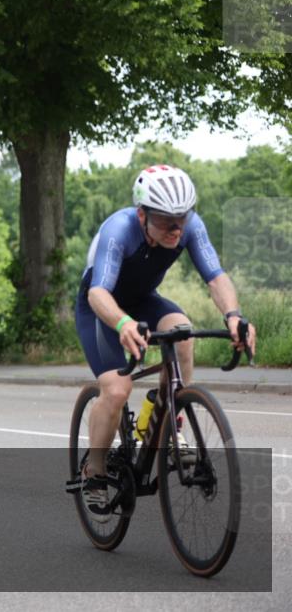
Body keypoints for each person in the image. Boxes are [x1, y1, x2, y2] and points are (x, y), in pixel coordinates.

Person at [74, 164, 256, 523]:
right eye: (166, 221)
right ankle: (94, 468)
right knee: (116, 389)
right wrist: (122, 322)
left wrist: (233, 315)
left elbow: (215, 277)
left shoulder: (190, 227)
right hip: (101, 308)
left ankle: (167, 415)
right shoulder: (119, 230)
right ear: (142, 215)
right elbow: (98, 292)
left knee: (182, 333)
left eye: (182, 219)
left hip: (142, 300)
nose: (177, 229)